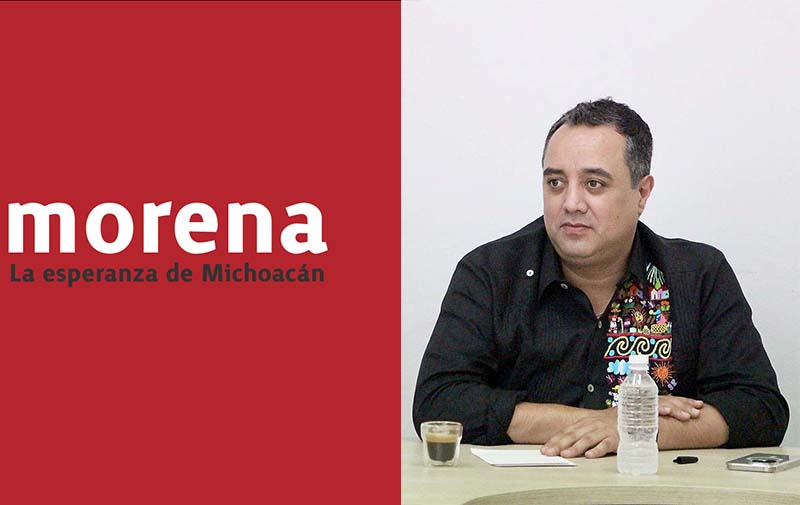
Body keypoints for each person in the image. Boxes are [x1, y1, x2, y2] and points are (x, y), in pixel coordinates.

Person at [412, 98, 789, 458]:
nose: (571, 203)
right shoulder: (491, 273)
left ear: (642, 193)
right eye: (555, 183)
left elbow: (760, 409)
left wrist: (639, 429)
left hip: (652, 487)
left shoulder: (697, 275)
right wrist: (611, 422)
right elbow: (439, 404)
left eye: (594, 183)